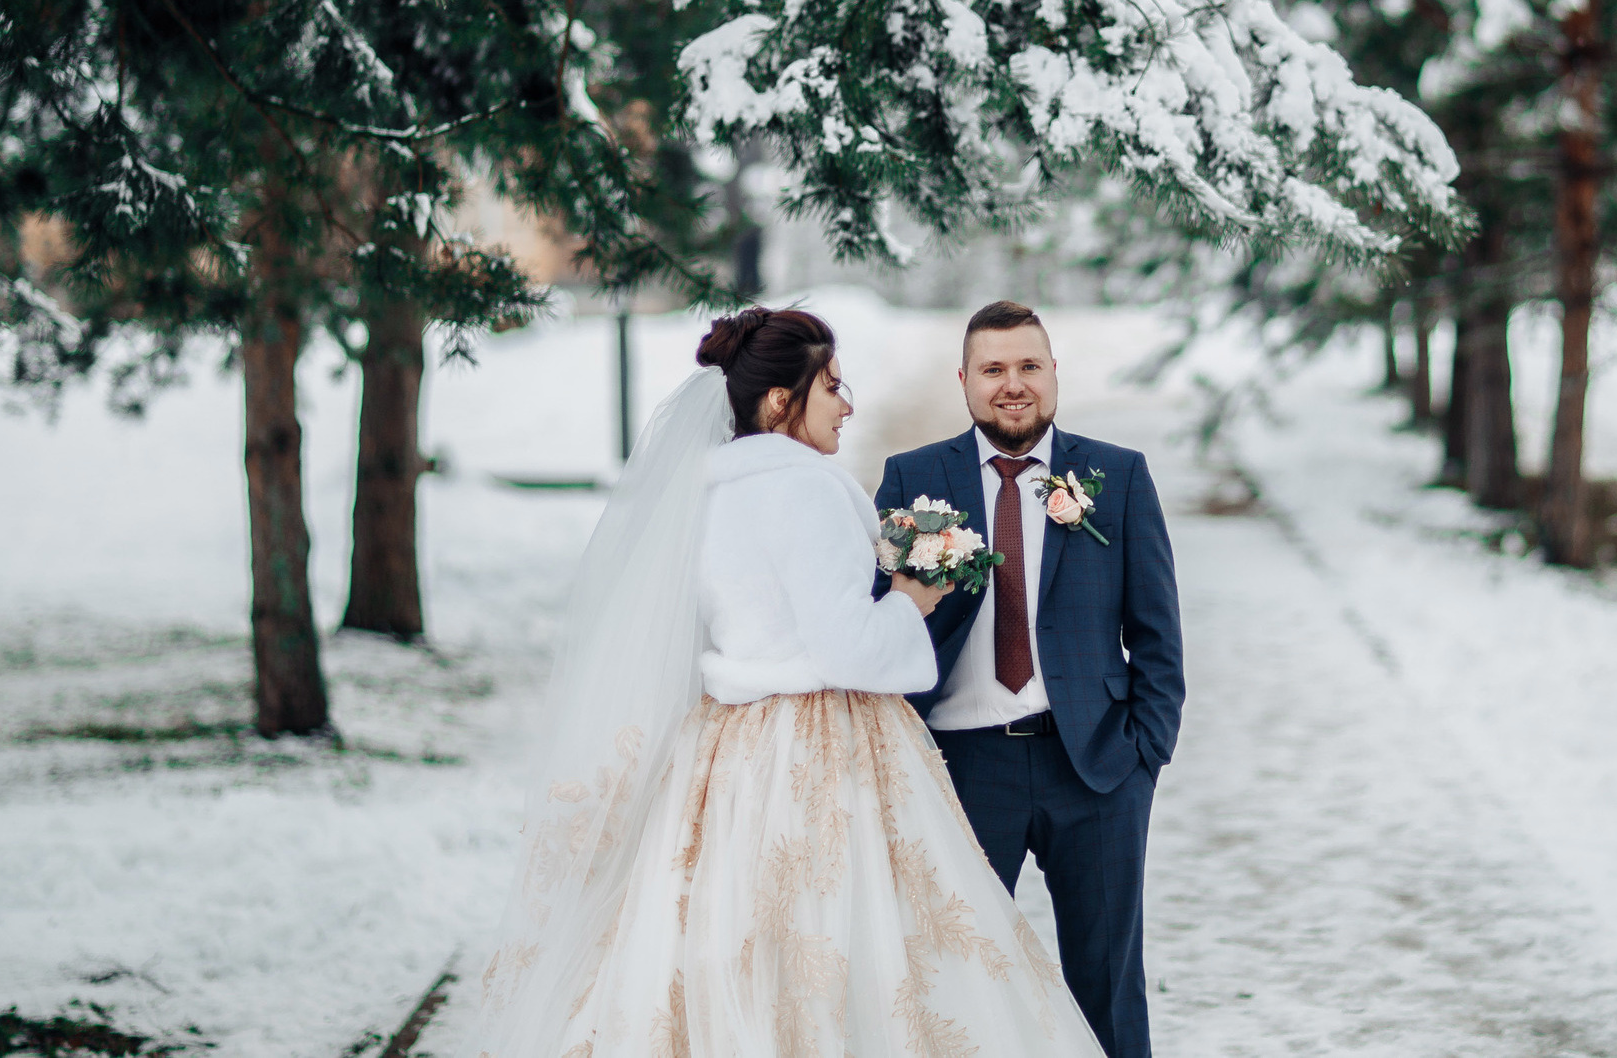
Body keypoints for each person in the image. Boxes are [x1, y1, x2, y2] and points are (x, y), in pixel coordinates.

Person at [471, 305, 1107, 1058]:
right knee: (855, 943)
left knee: (737, 949)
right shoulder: (803, 488)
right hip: (822, 747)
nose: (848, 404)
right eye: (831, 386)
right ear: (781, 401)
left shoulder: (703, 493)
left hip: (728, 752)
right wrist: (910, 600)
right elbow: (849, 649)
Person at [876, 301, 1184, 1058]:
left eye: (1028, 366)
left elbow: (1157, 634)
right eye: (994, 369)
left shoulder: (1115, 475)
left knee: (1106, 984)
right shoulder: (914, 478)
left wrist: (1145, 755)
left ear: (1052, 374)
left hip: (1096, 766)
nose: (1012, 385)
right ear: (965, 382)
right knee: (955, 982)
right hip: (961, 770)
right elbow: (884, 626)